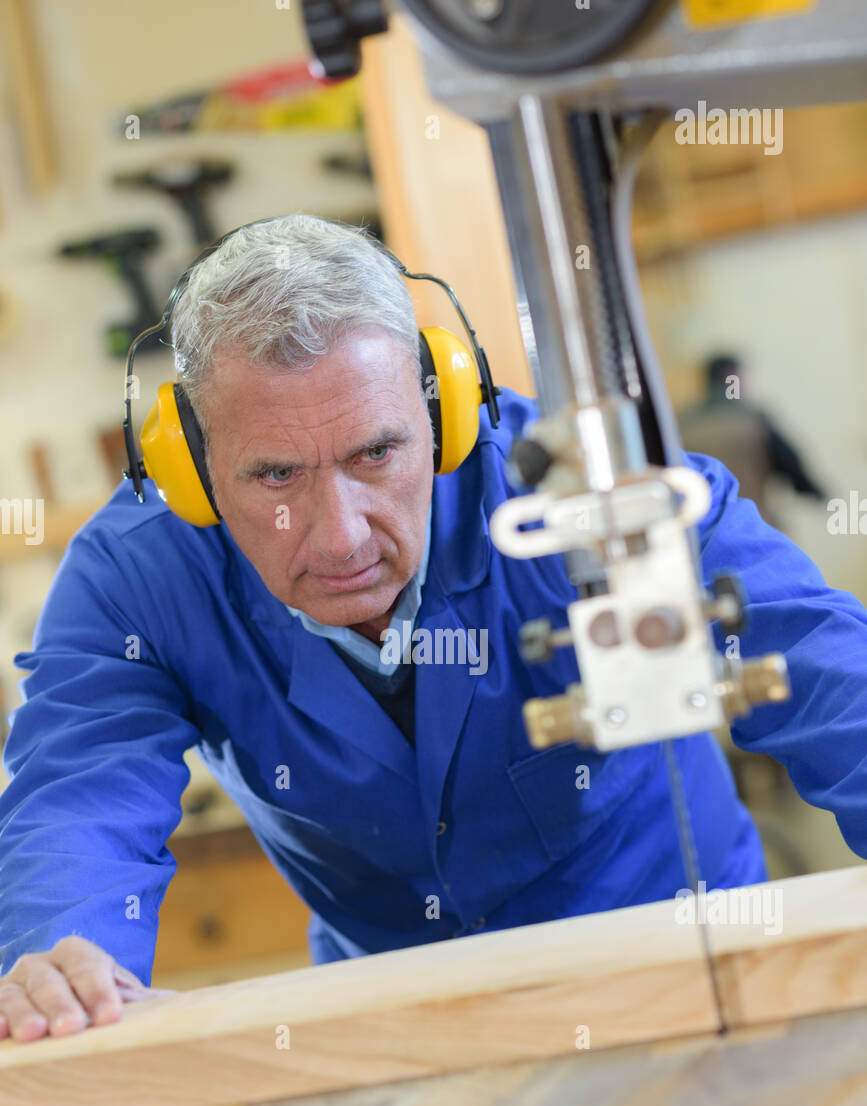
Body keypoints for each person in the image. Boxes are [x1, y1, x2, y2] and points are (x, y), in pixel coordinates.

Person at [1, 215, 865, 1046]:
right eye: (273, 475)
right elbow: (79, 795)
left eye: (376, 454)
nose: (339, 534)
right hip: (397, 1024)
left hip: (685, 965)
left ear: (443, 412)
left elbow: (820, 666)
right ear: (191, 465)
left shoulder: (584, 493)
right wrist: (63, 961)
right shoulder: (135, 579)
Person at [678, 353, 827, 530]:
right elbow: (791, 465)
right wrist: (816, 493)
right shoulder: (753, 419)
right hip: (755, 528)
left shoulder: (683, 425)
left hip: (701, 535)